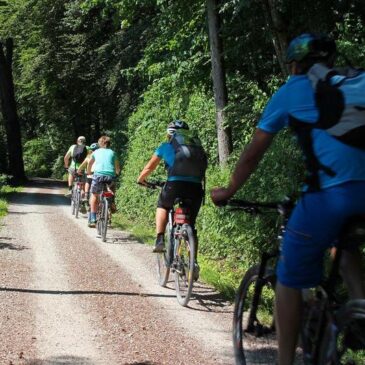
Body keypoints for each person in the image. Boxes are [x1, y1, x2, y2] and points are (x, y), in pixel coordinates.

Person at [211, 33, 365, 365]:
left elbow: (252, 154)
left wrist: (227, 191)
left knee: (288, 276)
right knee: (345, 243)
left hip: (330, 195)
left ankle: (285, 361)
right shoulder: (352, 85)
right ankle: (359, 310)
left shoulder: (292, 90)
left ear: (294, 63)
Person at [137, 120, 207, 279]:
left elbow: (149, 167)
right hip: (196, 187)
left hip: (174, 185)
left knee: (163, 205)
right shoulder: (197, 147)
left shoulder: (166, 146)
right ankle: (193, 262)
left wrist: (141, 179)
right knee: (191, 224)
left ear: (170, 134)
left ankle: (160, 238)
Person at [87, 136, 120, 227]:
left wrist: (89, 171)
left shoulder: (96, 152)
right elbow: (117, 167)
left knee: (94, 195)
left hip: (98, 176)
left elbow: (90, 163)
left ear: (101, 143)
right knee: (111, 190)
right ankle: (112, 201)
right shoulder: (113, 153)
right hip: (110, 176)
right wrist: (117, 173)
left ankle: (93, 219)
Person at [77, 142, 99, 209]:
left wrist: (78, 171)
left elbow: (81, 166)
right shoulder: (100, 156)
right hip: (99, 175)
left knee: (88, 181)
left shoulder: (88, 157)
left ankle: (86, 195)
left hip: (90, 175)